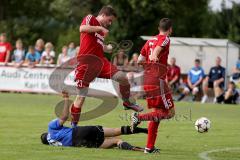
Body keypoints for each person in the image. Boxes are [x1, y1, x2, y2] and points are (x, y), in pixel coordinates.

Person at [71, 5, 143, 127]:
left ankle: (127, 103)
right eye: (109, 20)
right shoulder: (91, 19)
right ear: (103, 15)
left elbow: (97, 45)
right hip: (86, 63)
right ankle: (73, 128)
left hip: (101, 62)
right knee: (81, 97)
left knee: (122, 77)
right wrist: (99, 28)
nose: (109, 23)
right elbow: (82, 28)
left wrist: (107, 48)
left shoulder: (101, 31)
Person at [40, 91, 147, 151]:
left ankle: (139, 149)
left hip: (80, 143)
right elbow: (63, 117)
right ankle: (145, 130)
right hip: (80, 132)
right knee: (115, 131)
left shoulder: (55, 143)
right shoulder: (51, 127)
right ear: (47, 133)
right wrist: (66, 99)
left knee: (116, 141)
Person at [132, 18, 175, 153]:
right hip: (157, 81)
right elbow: (156, 51)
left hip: (148, 80)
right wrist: (155, 57)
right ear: (170, 29)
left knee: (157, 114)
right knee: (169, 113)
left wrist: (149, 63)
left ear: (158, 28)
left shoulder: (149, 40)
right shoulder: (166, 38)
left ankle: (149, 148)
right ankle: (138, 117)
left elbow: (139, 60)